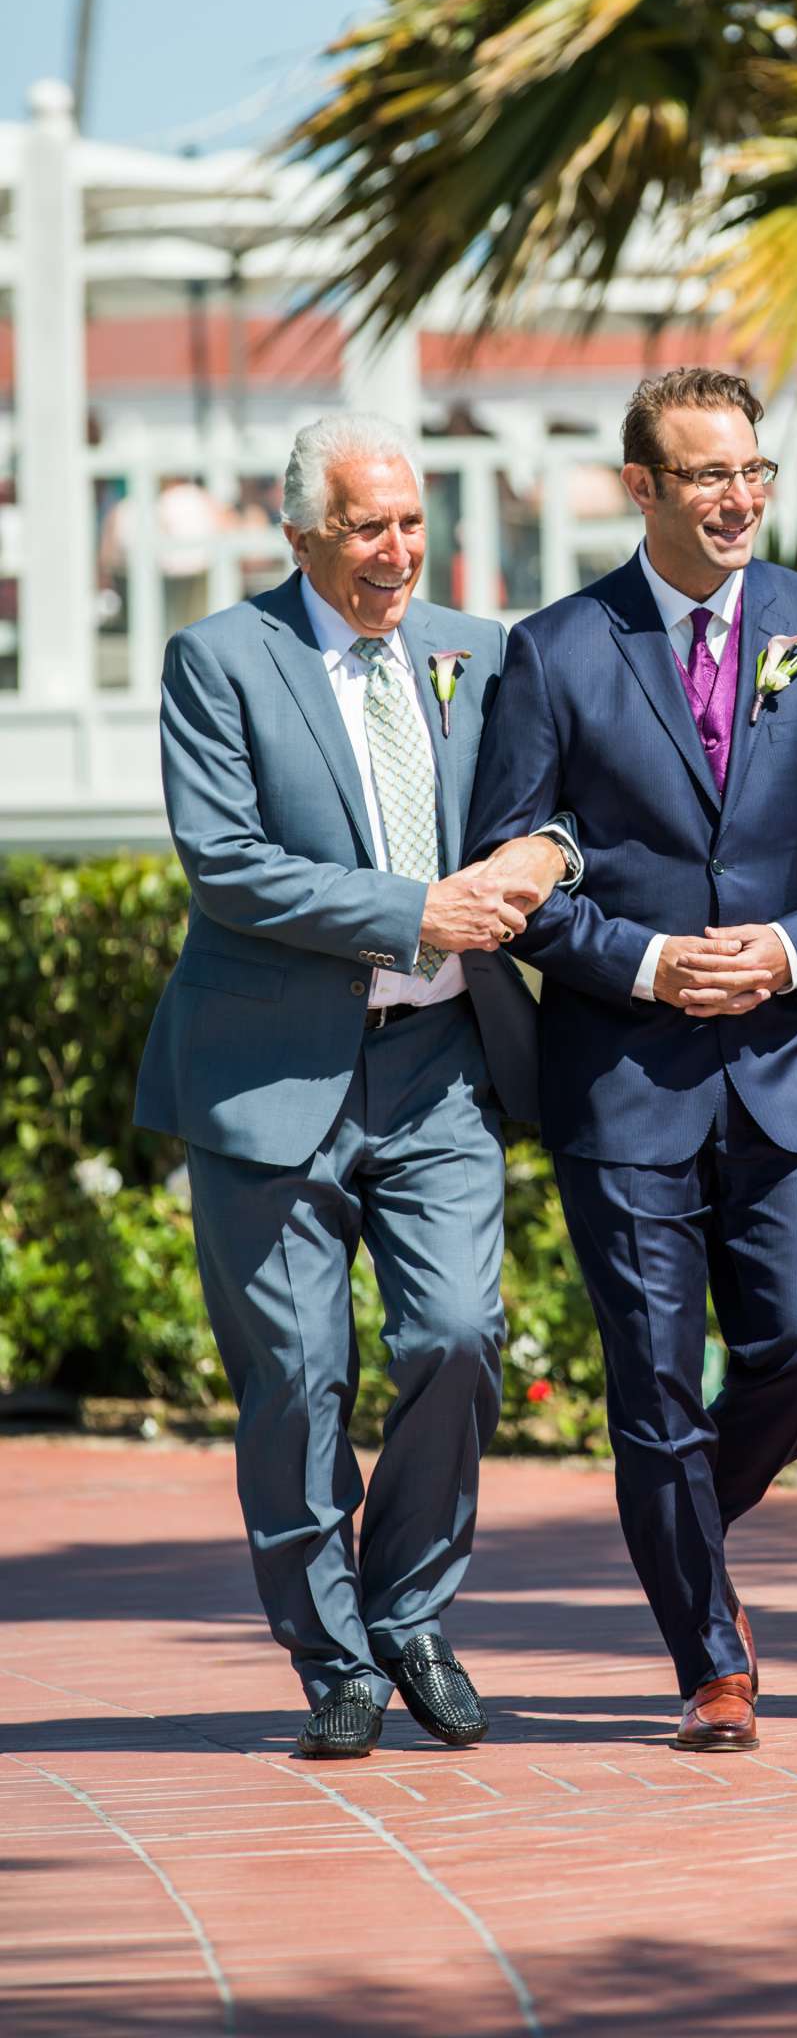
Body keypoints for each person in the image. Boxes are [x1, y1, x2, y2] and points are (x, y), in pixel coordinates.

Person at [465, 365, 797, 1753]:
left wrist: (790, 946)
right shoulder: (554, 649)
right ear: (644, 488)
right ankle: (710, 1660)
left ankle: (671, 1514)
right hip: (622, 1080)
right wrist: (654, 962)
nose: (737, 500)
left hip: (789, 1058)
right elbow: (514, 874)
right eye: (708, 476)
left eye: (754, 473)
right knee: (655, 1390)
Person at [135, 412, 580, 1760]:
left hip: (443, 1065)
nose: (397, 553)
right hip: (267, 1074)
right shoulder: (221, 660)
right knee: (298, 1375)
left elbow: (548, 805)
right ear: (300, 534)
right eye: (367, 529)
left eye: (410, 525)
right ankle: (333, 1658)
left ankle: (409, 1614)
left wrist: (545, 855)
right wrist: (413, 909)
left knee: (456, 1336)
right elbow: (226, 863)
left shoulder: (479, 652)